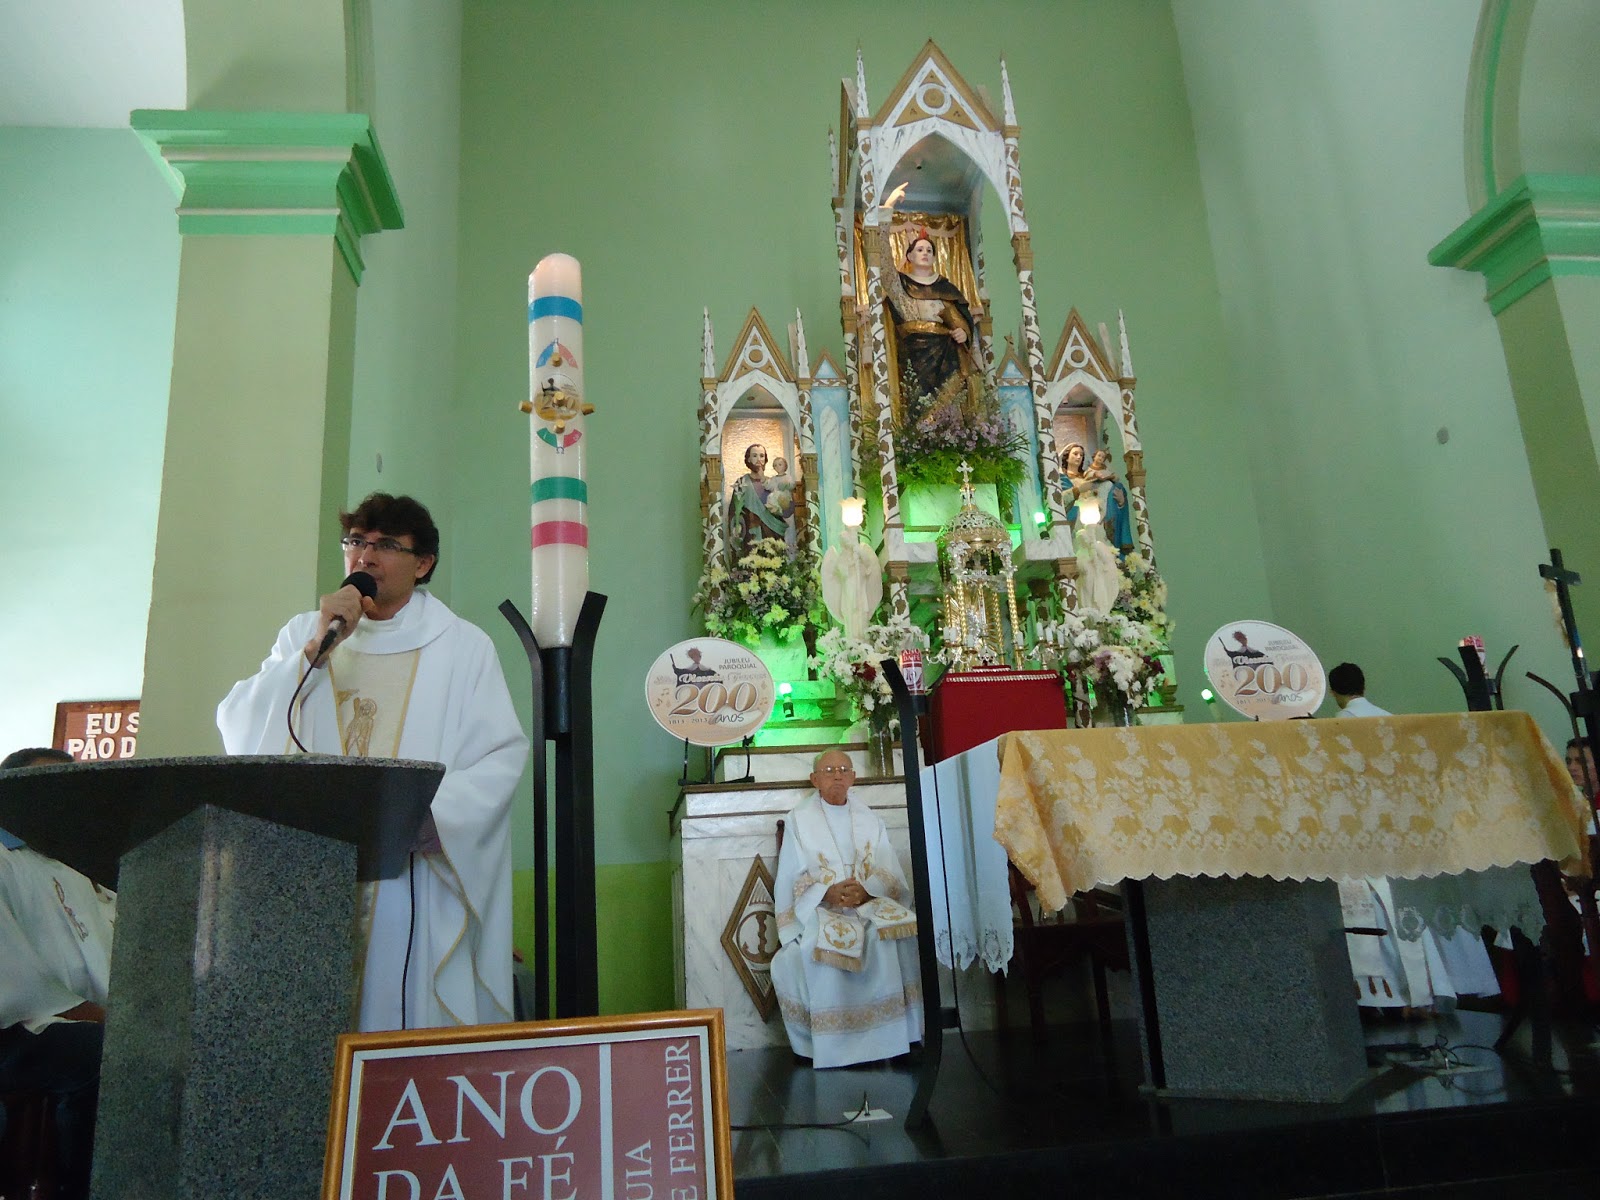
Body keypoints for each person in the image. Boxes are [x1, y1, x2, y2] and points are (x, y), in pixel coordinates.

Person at [216, 493, 529, 1031]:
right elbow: (239, 725)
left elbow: (499, 755)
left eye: (385, 545)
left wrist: (432, 817)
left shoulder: (462, 646)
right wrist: (314, 651)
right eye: (356, 541)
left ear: (423, 563)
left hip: (408, 873)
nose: (364, 556)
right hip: (316, 869)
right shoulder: (307, 633)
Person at [1, 747, 113, 1200]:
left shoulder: (76, 867)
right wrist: (104, 1017)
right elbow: (14, 984)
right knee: (105, 1054)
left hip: (68, 1018)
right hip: (13, 1029)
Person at [770, 749, 923, 1067]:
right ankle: (836, 1046)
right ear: (814, 779)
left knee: (890, 934)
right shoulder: (800, 819)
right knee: (817, 943)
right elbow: (791, 875)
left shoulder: (870, 819)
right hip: (821, 908)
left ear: (854, 777)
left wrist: (867, 891)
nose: (837, 775)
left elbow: (888, 867)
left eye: (843, 769)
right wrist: (827, 892)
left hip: (867, 903)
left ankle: (893, 1039)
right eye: (829, 770)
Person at [874, 224, 979, 407]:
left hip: (946, 353)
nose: (925, 253)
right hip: (915, 353)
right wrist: (883, 220)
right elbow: (884, 267)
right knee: (919, 402)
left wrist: (964, 332)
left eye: (929, 250)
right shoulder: (902, 285)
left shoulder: (947, 288)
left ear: (934, 257)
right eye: (920, 249)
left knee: (950, 403)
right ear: (909, 256)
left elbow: (962, 319)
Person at [725, 442, 788, 561]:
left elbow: (783, 509)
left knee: (774, 562)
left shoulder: (773, 483)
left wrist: (778, 509)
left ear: (765, 459)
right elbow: (735, 511)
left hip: (772, 532)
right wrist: (741, 522)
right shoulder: (742, 483)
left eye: (761, 456)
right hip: (751, 533)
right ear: (748, 459)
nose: (759, 459)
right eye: (754, 456)